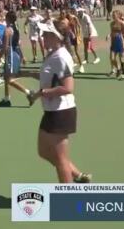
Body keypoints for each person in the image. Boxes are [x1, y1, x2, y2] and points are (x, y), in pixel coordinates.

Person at [25, 22, 91, 183]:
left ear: (57, 38)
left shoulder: (61, 57)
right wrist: (26, 73)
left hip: (61, 112)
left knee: (60, 159)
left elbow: (68, 87)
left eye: (47, 34)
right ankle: (77, 176)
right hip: (52, 111)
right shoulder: (52, 53)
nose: (43, 37)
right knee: (44, 152)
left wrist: (41, 93)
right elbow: (51, 77)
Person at [107, 10, 124, 80]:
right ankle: (118, 69)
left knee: (122, 58)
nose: (113, 17)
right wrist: (109, 35)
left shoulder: (122, 23)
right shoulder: (111, 24)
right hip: (114, 42)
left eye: (114, 15)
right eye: (112, 15)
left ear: (118, 16)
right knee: (112, 58)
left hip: (120, 41)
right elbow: (111, 32)